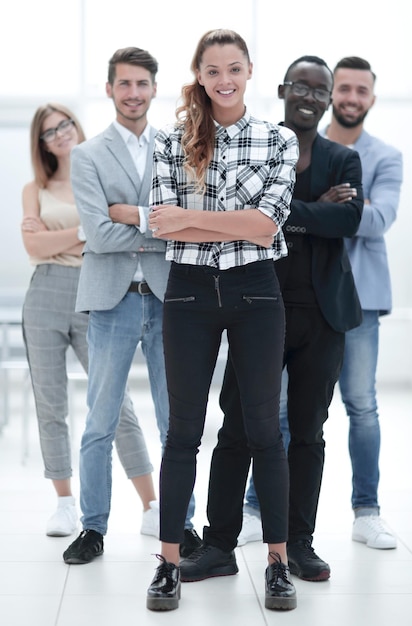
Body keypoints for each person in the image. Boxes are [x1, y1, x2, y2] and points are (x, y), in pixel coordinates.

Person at [191, 55, 364, 583]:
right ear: (284, 90)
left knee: (308, 433)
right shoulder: (263, 145)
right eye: (301, 87)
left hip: (323, 317)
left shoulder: (342, 159)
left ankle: (298, 546)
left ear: (330, 97)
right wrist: (311, 211)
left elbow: (348, 220)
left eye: (321, 90)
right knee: (239, 427)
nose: (310, 97)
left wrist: (286, 210)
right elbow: (250, 214)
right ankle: (219, 545)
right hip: (256, 310)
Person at [145, 29, 299, 612]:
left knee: (265, 428)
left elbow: (266, 227)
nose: (225, 80)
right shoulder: (171, 141)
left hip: (256, 292)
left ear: (250, 71)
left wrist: (193, 216)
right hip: (187, 294)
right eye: (214, 70)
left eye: (234, 68)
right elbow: (162, 226)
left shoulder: (276, 139)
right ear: (200, 75)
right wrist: (225, 220)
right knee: (182, 431)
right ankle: (167, 565)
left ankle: (278, 564)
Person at [62, 47, 201, 565]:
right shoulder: (89, 154)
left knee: (176, 422)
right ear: (110, 89)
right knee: (100, 420)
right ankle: (93, 528)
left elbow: (189, 225)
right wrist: (156, 224)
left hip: (171, 300)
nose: (134, 93)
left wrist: (135, 216)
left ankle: (181, 525)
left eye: (142, 84)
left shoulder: (178, 148)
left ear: (153, 88)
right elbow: (97, 235)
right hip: (111, 302)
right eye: (125, 84)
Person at [21, 103, 156, 539]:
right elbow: (34, 248)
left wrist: (65, 236)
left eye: (64, 124)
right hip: (44, 294)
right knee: (50, 402)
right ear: (41, 144)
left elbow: (120, 232)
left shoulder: (99, 169)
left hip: (97, 291)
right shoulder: (35, 188)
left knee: (116, 407)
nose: (60, 134)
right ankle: (64, 503)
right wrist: (88, 230)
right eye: (49, 132)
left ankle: (151, 504)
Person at [324, 56, 402, 549]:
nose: (352, 97)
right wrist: (355, 206)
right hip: (305, 294)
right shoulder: (305, 145)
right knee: (281, 407)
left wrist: (330, 207)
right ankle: (256, 508)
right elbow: (291, 213)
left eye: (362, 90)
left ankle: (367, 512)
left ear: (371, 97)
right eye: (344, 88)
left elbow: (381, 219)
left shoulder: (387, 156)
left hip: (362, 298)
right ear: (333, 92)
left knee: (361, 406)